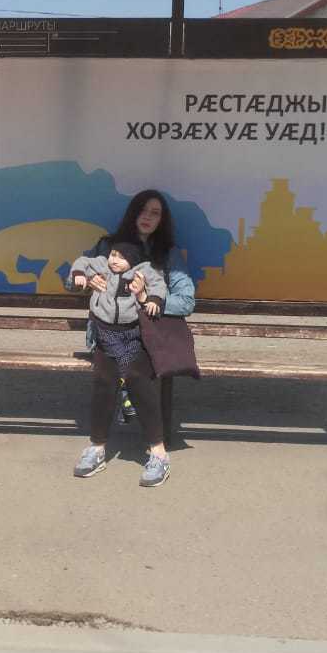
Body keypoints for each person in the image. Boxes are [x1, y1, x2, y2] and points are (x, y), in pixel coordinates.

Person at [68, 190, 196, 487]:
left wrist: (146, 299)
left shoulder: (167, 254)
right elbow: (73, 276)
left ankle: (159, 454)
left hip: (145, 336)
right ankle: (97, 448)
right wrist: (85, 281)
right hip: (107, 332)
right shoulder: (107, 246)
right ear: (132, 213)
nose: (148, 217)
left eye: (155, 213)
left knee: (138, 376)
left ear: (162, 220)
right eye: (143, 210)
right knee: (104, 376)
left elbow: (187, 300)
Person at [69, 238, 167, 381]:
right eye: (113, 255)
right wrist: (79, 273)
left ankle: (127, 380)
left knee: (133, 352)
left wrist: (154, 299)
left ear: (132, 261)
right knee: (120, 355)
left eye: (122, 258)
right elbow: (83, 261)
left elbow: (157, 281)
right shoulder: (103, 265)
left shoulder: (141, 270)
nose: (115, 260)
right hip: (105, 327)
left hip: (132, 327)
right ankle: (125, 381)